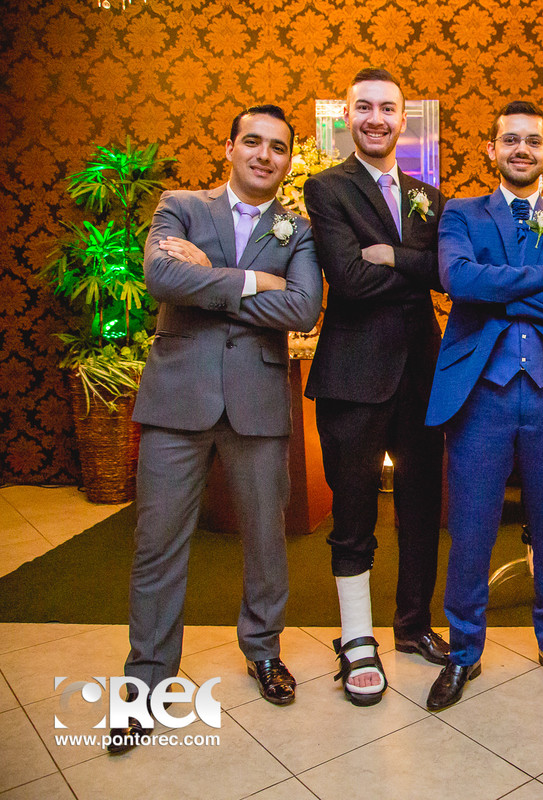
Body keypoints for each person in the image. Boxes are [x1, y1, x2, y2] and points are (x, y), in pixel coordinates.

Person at [112, 105, 322, 753]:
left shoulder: (297, 229)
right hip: (176, 401)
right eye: (252, 142)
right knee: (157, 545)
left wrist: (206, 278)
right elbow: (161, 277)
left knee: (265, 540)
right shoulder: (180, 206)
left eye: (278, 147)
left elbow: (303, 307)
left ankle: (263, 651)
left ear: (288, 160)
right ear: (229, 148)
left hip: (257, 401)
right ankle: (147, 681)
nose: (264, 155)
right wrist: (253, 280)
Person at [423, 100, 543, 711]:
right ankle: (464, 650)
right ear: (491, 150)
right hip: (480, 395)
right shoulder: (461, 213)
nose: (521, 149)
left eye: (533, 141)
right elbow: (459, 281)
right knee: (471, 529)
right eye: (510, 140)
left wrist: (499, 290)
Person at [304, 68, 447, 706]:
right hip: (353, 376)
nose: (376, 118)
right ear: (347, 117)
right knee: (354, 510)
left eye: (388, 108)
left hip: (423, 376)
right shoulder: (327, 188)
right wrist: (417, 269)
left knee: (422, 508)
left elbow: (447, 273)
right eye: (363, 107)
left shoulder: (428, 196)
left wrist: (393, 258)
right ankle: (358, 638)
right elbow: (349, 280)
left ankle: (413, 625)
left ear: (403, 119)